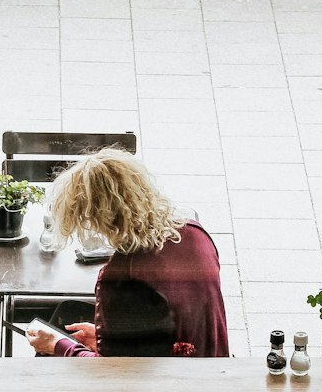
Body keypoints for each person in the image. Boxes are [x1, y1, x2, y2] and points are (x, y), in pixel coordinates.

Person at [24, 148, 230, 360]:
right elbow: (171, 316)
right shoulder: (194, 233)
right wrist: (110, 337)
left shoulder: (122, 277)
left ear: (96, 219)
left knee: (50, 349)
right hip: (214, 363)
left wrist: (57, 345)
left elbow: (112, 371)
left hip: (175, 386)